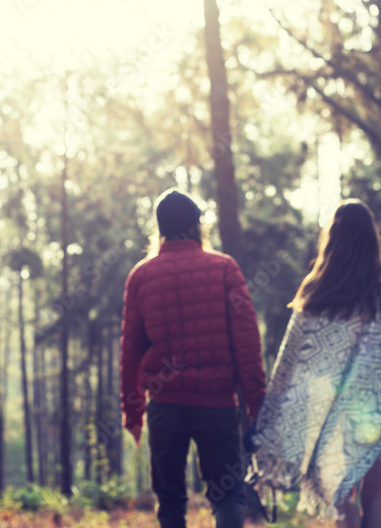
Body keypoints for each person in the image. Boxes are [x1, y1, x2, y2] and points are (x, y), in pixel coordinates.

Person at [248, 199, 381, 528]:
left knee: (342, 499)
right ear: (371, 237)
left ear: (332, 238)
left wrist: (271, 416)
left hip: (334, 420)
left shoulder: (318, 289)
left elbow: (291, 361)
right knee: (375, 499)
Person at [121, 188, 267, 528]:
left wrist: (133, 410)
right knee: (228, 495)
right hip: (216, 406)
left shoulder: (142, 276)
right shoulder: (224, 268)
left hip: (165, 406)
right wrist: (256, 401)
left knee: (170, 502)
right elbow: (247, 343)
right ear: (197, 226)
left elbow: (130, 351)